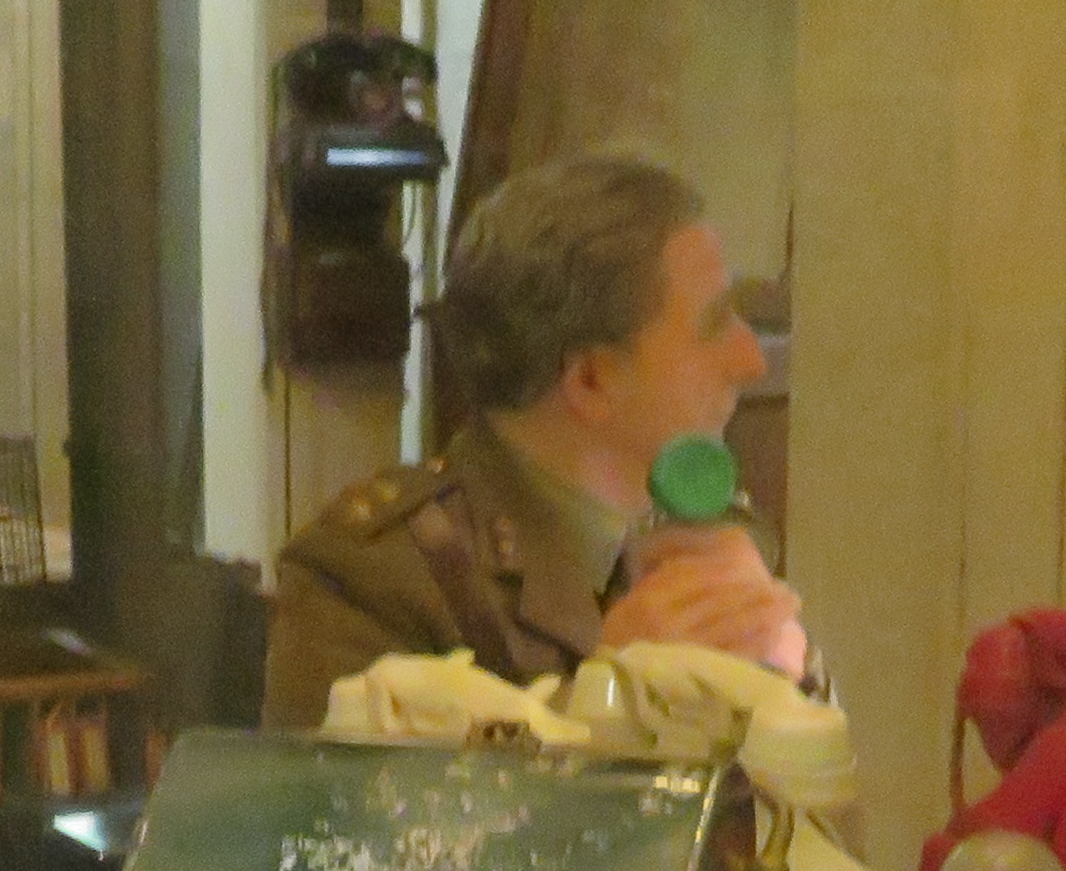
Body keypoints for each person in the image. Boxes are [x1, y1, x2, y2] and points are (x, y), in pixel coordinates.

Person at [260, 151, 806, 728]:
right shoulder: (371, 580)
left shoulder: (713, 534)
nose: (751, 360)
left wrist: (789, 676)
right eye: (714, 325)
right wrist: (609, 698)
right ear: (592, 381)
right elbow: (331, 788)